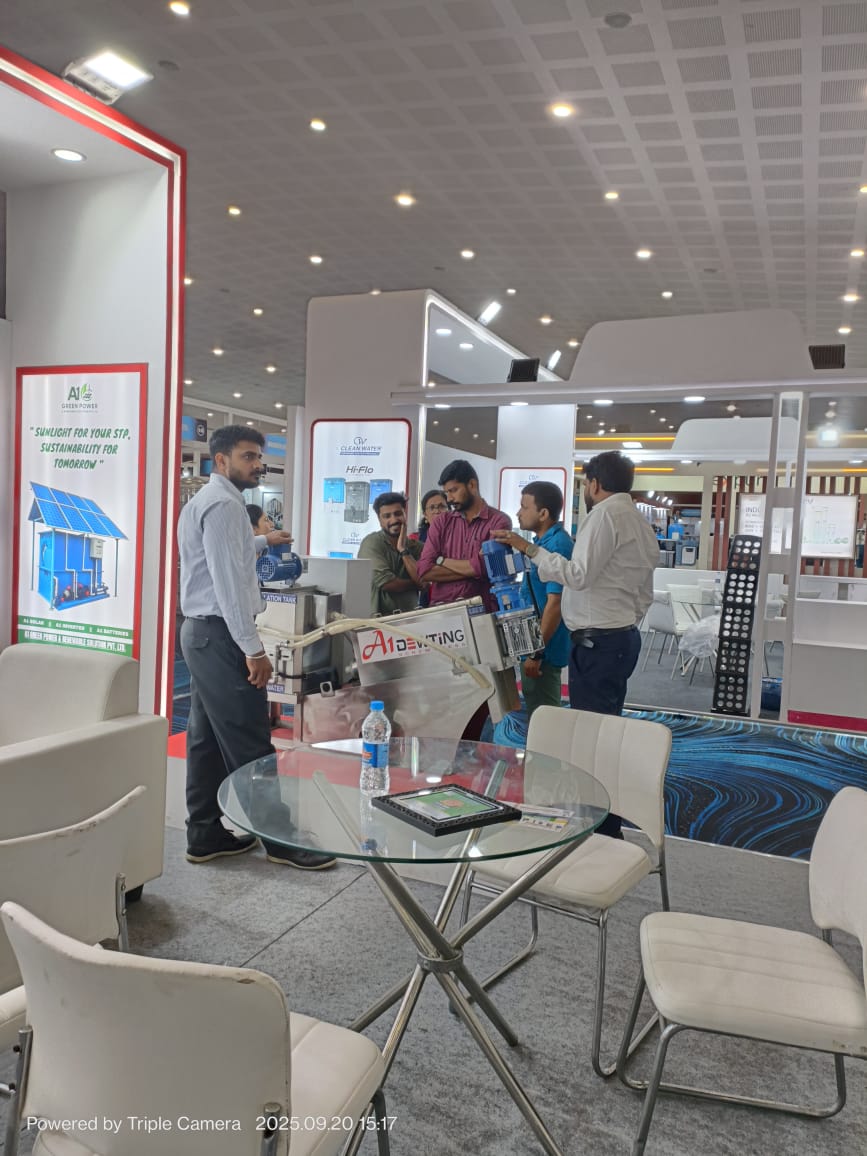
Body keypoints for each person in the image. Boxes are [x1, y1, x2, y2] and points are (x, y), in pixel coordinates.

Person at [178, 424, 335, 869]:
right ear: (221, 460)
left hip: (202, 633)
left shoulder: (207, 502)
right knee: (250, 742)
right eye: (248, 457)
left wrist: (264, 540)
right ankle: (281, 841)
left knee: (206, 741)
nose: (258, 465)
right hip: (222, 636)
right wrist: (253, 650)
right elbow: (228, 583)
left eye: (258, 457)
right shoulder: (225, 506)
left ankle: (204, 834)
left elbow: (223, 553)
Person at [494, 451, 659, 838]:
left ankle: (600, 827)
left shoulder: (604, 516)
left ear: (595, 484)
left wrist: (530, 550)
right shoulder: (638, 520)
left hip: (599, 643)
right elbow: (644, 592)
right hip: (618, 638)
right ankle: (605, 822)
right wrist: (622, 623)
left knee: (593, 740)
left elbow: (578, 576)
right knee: (603, 734)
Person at [417, 459, 511, 612]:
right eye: (447, 493)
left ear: (472, 485)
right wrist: (473, 568)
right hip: (442, 611)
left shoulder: (498, 521)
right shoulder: (441, 522)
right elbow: (424, 571)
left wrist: (441, 560)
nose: (449, 499)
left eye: (453, 490)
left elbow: (488, 568)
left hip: (481, 611)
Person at [515, 481, 574, 718]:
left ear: (543, 513)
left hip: (544, 649)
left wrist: (536, 653)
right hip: (533, 640)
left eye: (524, 507)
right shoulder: (539, 543)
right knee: (535, 707)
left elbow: (555, 603)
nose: (518, 513)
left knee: (546, 716)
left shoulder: (557, 545)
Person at [357, 492, 425, 616]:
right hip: (377, 620)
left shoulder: (417, 547)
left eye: (398, 514)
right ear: (379, 520)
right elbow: (387, 583)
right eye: (387, 516)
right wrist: (416, 583)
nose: (393, 520)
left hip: (410, 618)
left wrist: (403, 550)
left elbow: (425, 583)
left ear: (405, 514)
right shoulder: (371, 543)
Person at [411, 489, 448, 607]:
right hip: (424, 598)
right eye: (432, 508)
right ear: (425, 515)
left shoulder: (459, 537)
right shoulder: (414, 540)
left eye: (442, 506)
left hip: (451, 596)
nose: (437, 511)